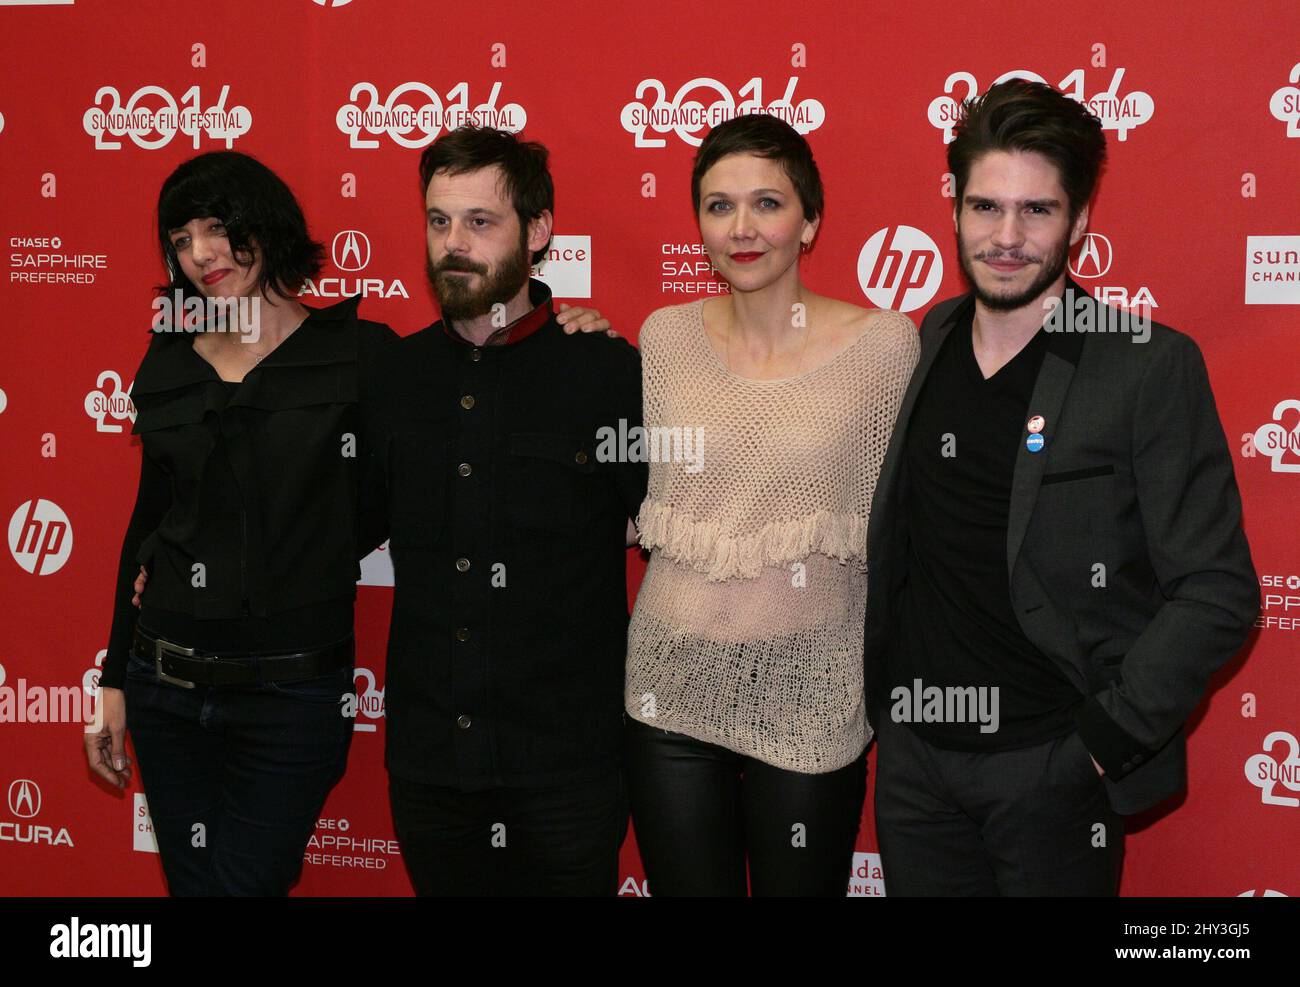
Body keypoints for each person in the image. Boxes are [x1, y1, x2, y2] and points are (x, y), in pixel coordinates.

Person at [864, 79, 1259, 896]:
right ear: (956, 209)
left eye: (1036, 211)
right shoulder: (927, 337)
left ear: (1079, 220)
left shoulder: (1146, 364)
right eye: (985, 207)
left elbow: (1218, 590)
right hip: (916, 766)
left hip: (1048, 771)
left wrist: (1098, 741)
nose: (1005, 237)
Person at [84, 150, 398, 896]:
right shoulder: (168, 361)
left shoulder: (358, 353)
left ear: (267, 225)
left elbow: (388, 499)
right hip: (163, 688)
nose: (200, 254)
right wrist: (112, 680)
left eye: (218, 228)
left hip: (290, 697)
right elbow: (148, 521)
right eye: (182, 238)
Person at [622, 113, 919, 896]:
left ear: (811, 219)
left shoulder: (885, 345)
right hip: (669, 688)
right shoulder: (663, 337)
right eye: (719, 206)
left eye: (768, 203)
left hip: (813, 690)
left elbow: (904, 529)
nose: (742, 227)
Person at [363, 126, 645, 896]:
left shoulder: (608, 373)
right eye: (439, 220)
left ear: (539, 230)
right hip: (430, 767)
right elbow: (335, 527)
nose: (454, 242)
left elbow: (671, 533)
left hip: (566, 769)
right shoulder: (392, 377)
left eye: (481, 222)